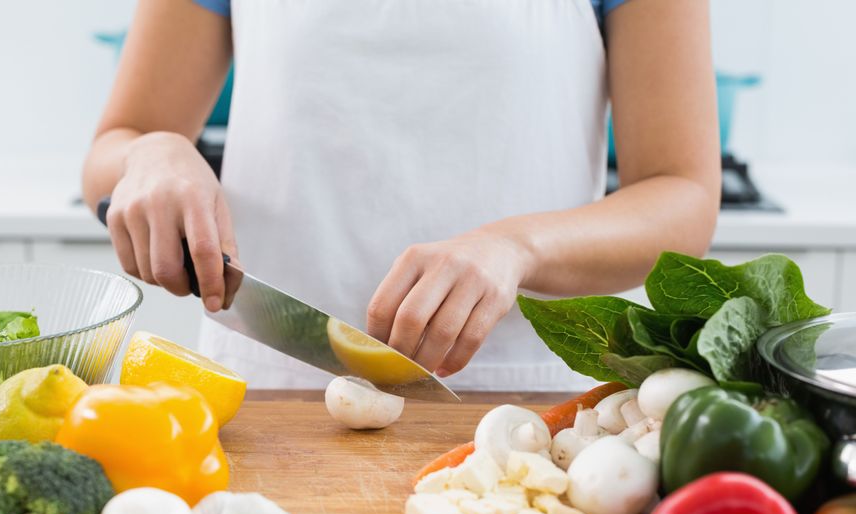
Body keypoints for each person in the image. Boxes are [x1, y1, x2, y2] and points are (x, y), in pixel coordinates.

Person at [83, 0, 719, 391]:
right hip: (267, 389)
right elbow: (116, 144)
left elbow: (682, 192)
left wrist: (516, 248)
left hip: (531, 402)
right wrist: (151, 153)